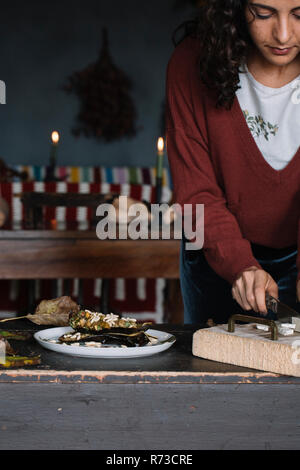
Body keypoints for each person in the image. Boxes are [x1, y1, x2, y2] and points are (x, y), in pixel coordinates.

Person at [166, 0, 300, 324]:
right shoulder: (190, 65)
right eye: (264, 13)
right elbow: (197, 193)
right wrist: (241, 264)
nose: (283, 35)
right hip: (214, 253)